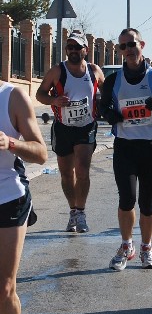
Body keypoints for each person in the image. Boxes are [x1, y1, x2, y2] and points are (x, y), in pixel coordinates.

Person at [100, 28, 152, 271]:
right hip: (125, 147)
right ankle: (126, 245)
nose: (128, 50)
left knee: (148, 202)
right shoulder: (113, 80)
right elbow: (103, 109)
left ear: (141, 44)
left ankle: (146, 247)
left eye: (132, 44)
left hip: (151, 146)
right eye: (123, 46)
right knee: (126, 199)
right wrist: (112, 115)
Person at [36, 31, 105, 233]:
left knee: (82, 169)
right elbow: (40, 94)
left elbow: (108, 91)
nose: (73, 51)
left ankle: (81, 212)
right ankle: (73, 211)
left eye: (77, 47)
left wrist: (104, 104)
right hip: (63, 127)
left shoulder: (94, 71)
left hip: (86, 127)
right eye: (70, 47)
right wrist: (53, 101)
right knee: (67, 174)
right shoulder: (57, 71)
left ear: (86, 49)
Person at [0, 80, 48, 314]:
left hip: (8, 199)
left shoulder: (12, 96)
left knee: (4, 287)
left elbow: (41, 154)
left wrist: (11, 143)